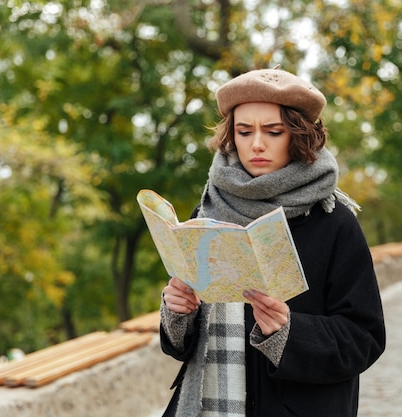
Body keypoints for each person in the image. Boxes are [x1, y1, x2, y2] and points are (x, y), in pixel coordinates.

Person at [159, 67, 385, 417]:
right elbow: (182, 345)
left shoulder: (335, 221)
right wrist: (177, 313)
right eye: (244, 131)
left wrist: (289, 331)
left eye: (273, 131)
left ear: (299, 135)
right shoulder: (206, 211)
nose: (257, 144)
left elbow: (364, 338)